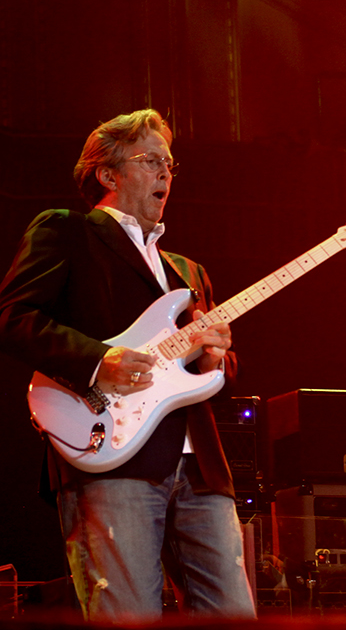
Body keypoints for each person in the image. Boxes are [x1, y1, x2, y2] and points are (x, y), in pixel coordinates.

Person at [0, 110, 256, 621]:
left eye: (169, 163)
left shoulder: (188, 271)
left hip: (200, 466)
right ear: (108, 174)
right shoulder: (67, 231)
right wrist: (99, 360)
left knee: (234, 616)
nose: (165, 172)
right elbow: (13, 317)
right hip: (111, 453)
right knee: (128, 616)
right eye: (150, 160)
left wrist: (217, 356)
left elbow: (215, 377)